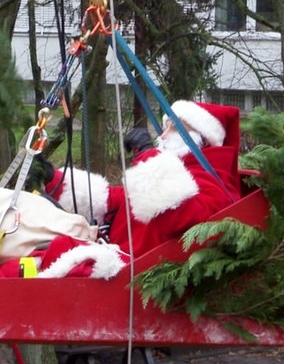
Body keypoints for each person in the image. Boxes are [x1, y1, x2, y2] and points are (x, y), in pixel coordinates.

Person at [44, 100, 242, 260]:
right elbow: (119, 199)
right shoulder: (181, 169)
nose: (163, 136)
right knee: (50, 248)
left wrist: (149, 156)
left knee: (53, 255)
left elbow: (181, 215)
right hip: (121, 261)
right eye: (165, 127)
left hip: (135, 275)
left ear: (203, 138)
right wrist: (55, 180)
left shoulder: (215, 182)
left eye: (174, 128)